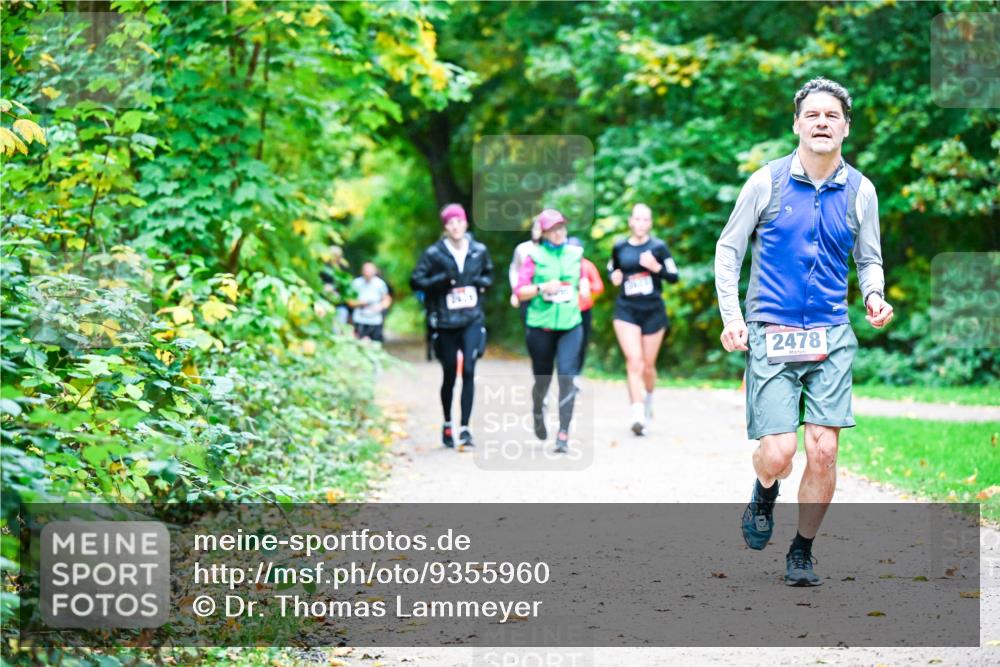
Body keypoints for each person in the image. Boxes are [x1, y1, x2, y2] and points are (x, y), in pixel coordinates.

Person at [715, 77, 894, 586]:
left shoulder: (861, 191)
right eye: (812, 114)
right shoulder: (765, 183)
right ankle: (764, 490)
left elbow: (869, 258)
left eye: (831, 116)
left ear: (845, 128)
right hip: (771, 331)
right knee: (779, 454)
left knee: (824, 449)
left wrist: (874, 296)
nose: (821, 122)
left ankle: (801, 550)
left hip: (831, 332)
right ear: (797, 124)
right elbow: (729, 250)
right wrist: (732, 317)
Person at [410, 203, 493, 449]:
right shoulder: (434, 254)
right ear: (445, 227)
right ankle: (448, 422)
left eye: (459, 221)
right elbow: (416, 281)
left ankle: (466, 428)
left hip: (471, 318)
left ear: (466, 223)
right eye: (450, 223)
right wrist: (442, 282)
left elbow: (489, 275)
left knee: (468, 370)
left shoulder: (478, 250)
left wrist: (479, 283)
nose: (455, 226)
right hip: (445, 322)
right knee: (449, 375)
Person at [515, 209, 590, 454]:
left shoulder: (575, 253)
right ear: (545, 232)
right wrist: (542, 287)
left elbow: (584, 276)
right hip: (541, 326)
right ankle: (538, 408)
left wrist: (586, 287)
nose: (559, 233)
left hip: (571, 324)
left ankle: (563, 433)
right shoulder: (533, 256)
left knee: (567, 377)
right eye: (553, 229)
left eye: (562, 228)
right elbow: (520, 290)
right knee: (542, 378)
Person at [608, 204, 679, 436]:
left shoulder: (658, 247)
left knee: (648, 366)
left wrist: (655, 267)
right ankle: (637, 415)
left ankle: (647, 402)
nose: (640, 224)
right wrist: (614, 277)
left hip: (652, 311)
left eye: (645, 220)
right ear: (630, 221)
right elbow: (612, 270)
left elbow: (673, 276)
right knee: (634, 361)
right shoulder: (619, 246)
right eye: (637, 219)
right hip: (626, 310)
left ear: (650, 223)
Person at [567, 236, 605, 373]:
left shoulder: (587, 266)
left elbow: (599, 286)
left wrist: (587, 286)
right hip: (565, 310)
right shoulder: (560, 265)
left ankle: (576, 374)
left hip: (583, 310)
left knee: (581, 343)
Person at [347, 261, 392, 342]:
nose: (368, 272)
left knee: (376, 343)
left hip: (375, 319)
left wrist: (380, 306)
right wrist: (361, 303)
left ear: (375, 271)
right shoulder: (356, 283)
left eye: (370, 270)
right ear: (362, 271)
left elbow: (387, 299)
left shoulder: (380, 284)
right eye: (366, 270)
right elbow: (349, 301)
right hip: (359, 318)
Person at [508, 219, 542, 324]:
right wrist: (515, 291)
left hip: (546, 295)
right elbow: (514, 269)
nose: (537, 231)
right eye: (535, 228)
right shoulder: (522, 249)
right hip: (527, 295)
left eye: (540, 229)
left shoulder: (552, 250)